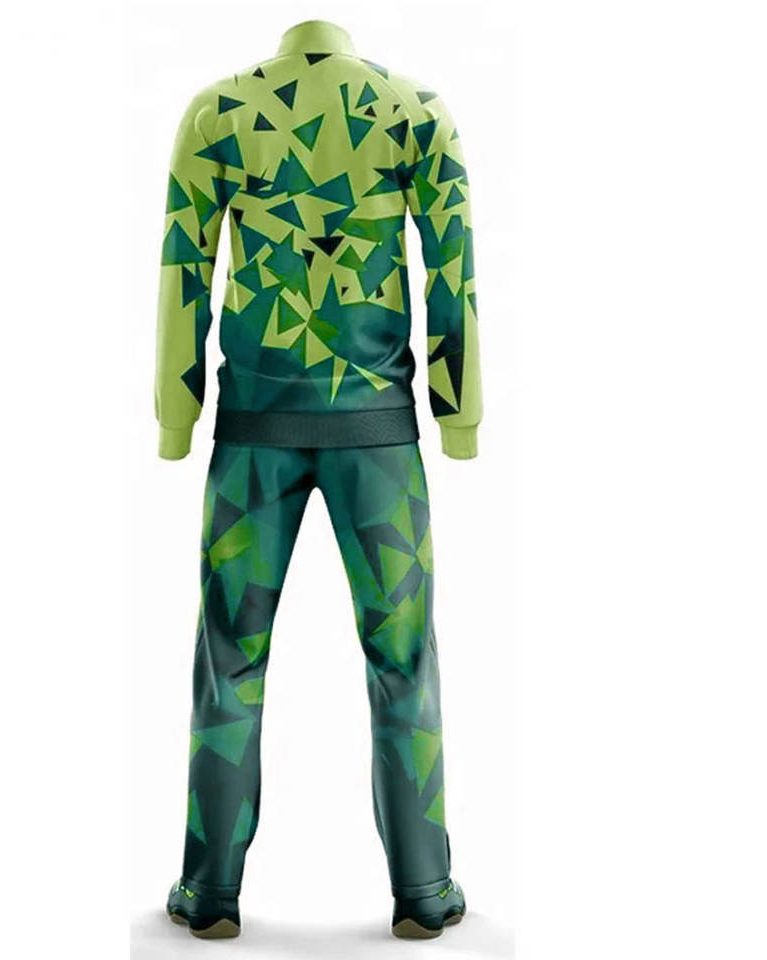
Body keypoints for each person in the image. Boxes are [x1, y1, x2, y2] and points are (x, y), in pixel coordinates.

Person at [154, 19, 481, 939]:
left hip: (251, 436)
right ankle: (424, 892)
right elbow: (452, 269)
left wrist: (177, 414)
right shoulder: (417, 112)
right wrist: (457, 414)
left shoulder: (215, 113)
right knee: (403, 659)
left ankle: (208, 893)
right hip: (379, 441)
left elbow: (183, 272)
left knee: (230, 659)